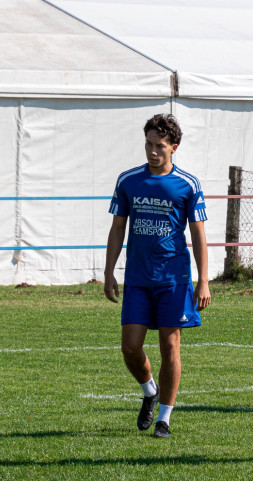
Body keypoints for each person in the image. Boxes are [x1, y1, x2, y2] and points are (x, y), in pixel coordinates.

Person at [104, 113, 211, 439]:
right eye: (148, 144)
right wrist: (109, 271)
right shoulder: (128, 181)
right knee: (130, 347)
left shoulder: (187, 184)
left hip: (174, 279)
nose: (152, 151)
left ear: (173, 147)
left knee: (170, 346)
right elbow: (118, 227)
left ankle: (164, 418)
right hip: (137, 278)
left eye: (159, 145)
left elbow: (198, 234)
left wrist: (204, 279)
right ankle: (149, 391)